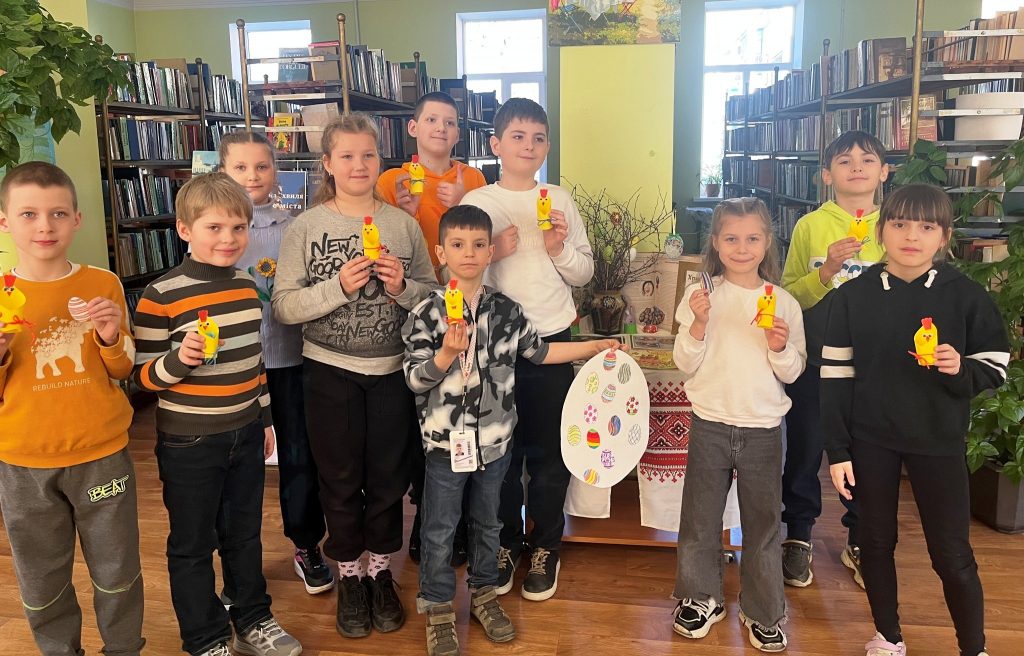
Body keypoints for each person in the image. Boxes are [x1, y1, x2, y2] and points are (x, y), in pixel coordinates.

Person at [403, 205, 623, 656]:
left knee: (491, 522)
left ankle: (484, 595)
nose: (469, 253)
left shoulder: (506, 310)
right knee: (440, 528)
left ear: (491, 253)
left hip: (495, 443)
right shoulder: (425, 313)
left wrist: (594, 347)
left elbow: (541, 353)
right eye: (458, 245)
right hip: (445, 445)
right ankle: (439, 608)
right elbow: (414, 379)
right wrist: (445, 355)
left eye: (478, 245)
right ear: (441, 252)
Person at [821, 184, 1008, 656]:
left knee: (952, 553)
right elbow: (835, 376)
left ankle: (974, 648)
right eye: (900, 224)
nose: (911, 236)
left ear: (943, 236)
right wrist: (838, 450)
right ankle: (888, 636)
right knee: (874, 542)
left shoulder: (965, 296)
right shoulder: (852, 296)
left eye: (926, 227)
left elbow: (995, 366)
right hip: (870, 440)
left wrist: (960, 369)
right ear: (880, 230)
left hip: (939, 440)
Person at [272, 113, 437, 638]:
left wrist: (402, 287)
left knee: (388, 479)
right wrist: (338, 288)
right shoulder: (305, 227)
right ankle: (350, 576)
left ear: (380, 160)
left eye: (368, 155)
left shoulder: (403, 225)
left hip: (391, 371)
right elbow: (284, 306)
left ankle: (381, 574)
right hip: (328, 372)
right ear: (328, 163)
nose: (359, 164)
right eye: (346, 156)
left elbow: (432, 296)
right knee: (339, 479)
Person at [133, 172, 301, 656]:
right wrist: (179, 360)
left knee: (244, 535)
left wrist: (264, 419)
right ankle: (204, 637)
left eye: (238, 228)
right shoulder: (161, 294)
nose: (228, 239)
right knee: (192, 544)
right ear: (185, 229)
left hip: (245, 432)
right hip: (189, 442)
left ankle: (252, 617)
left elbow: (255, 362)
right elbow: (141, 378)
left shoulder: (247, 287)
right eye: (214, 228)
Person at [0, 161, 145, 656]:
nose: (45, 225)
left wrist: (109, 335)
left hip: (101, 455)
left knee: (117, 569)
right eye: (29, 214)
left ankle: (124, 649)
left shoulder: (103, 284)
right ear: (5, 221)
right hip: (22, 462)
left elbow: (124, 367)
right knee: (41, 578)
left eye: (58, 213)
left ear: (77, 219)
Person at [460, 97, 594, 601]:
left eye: (538, 138)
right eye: (517, 136)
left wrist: (558, 248)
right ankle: (504, 543)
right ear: (495, 144)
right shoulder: (479, 201)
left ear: (547, 147)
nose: (528, 146)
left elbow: (584, 273)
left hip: (553, 337)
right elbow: (456, 271)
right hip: (494, 344)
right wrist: (493, 252)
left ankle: (545, 545)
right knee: (499, 452)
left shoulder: (559, 198)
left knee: (548, 453)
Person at [672, 197, 805, 652]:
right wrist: (698, 324)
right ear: (715, 242)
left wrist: (778, 346)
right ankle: (701, 596)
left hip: (763, 428)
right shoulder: (701, 297)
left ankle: (763, 608)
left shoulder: (783, 303)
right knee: (699, 519)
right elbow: (684, 361)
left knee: (763, 524)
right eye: (731, 238)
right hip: (709, 421)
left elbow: (793, 372)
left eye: (752, 238)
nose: (742, 248)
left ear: (767, 243)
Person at [377, 90, 488, 565]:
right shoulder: (391, 181)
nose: (441, 128)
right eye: (432, 120)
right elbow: (381, 238)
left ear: (459, 132)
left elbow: (475, 233)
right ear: (414, 127)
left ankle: (460, 523)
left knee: (461, 413)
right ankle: (427, 517)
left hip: (462, 308)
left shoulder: (474, 179)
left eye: (450, 122)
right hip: (410, 309)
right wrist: (401, 212)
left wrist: (462, 201)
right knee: (419, 421)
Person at [222, 131, 334, 595]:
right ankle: (238, 561)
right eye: (240, 167)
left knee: (298, 455)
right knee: (238, 463)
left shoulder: (295, 228)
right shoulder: (216, 230)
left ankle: (306, 544)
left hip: (289, 361)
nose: (252, 176)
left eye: (262, 166)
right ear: (223, 172)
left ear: (276, 171)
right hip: (233, 367)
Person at [780, 130, 889, 589]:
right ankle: (798, 533)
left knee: (866, 454)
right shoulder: (810, 226)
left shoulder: (895, 226)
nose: (857, 167)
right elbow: (789, 295)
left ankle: (859, 538)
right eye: (844, 161)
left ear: (884, 172)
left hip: (871, 368)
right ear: (827, 175)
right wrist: (825, 271)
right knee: (805, 449)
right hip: (816, 362)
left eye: (867, 159)